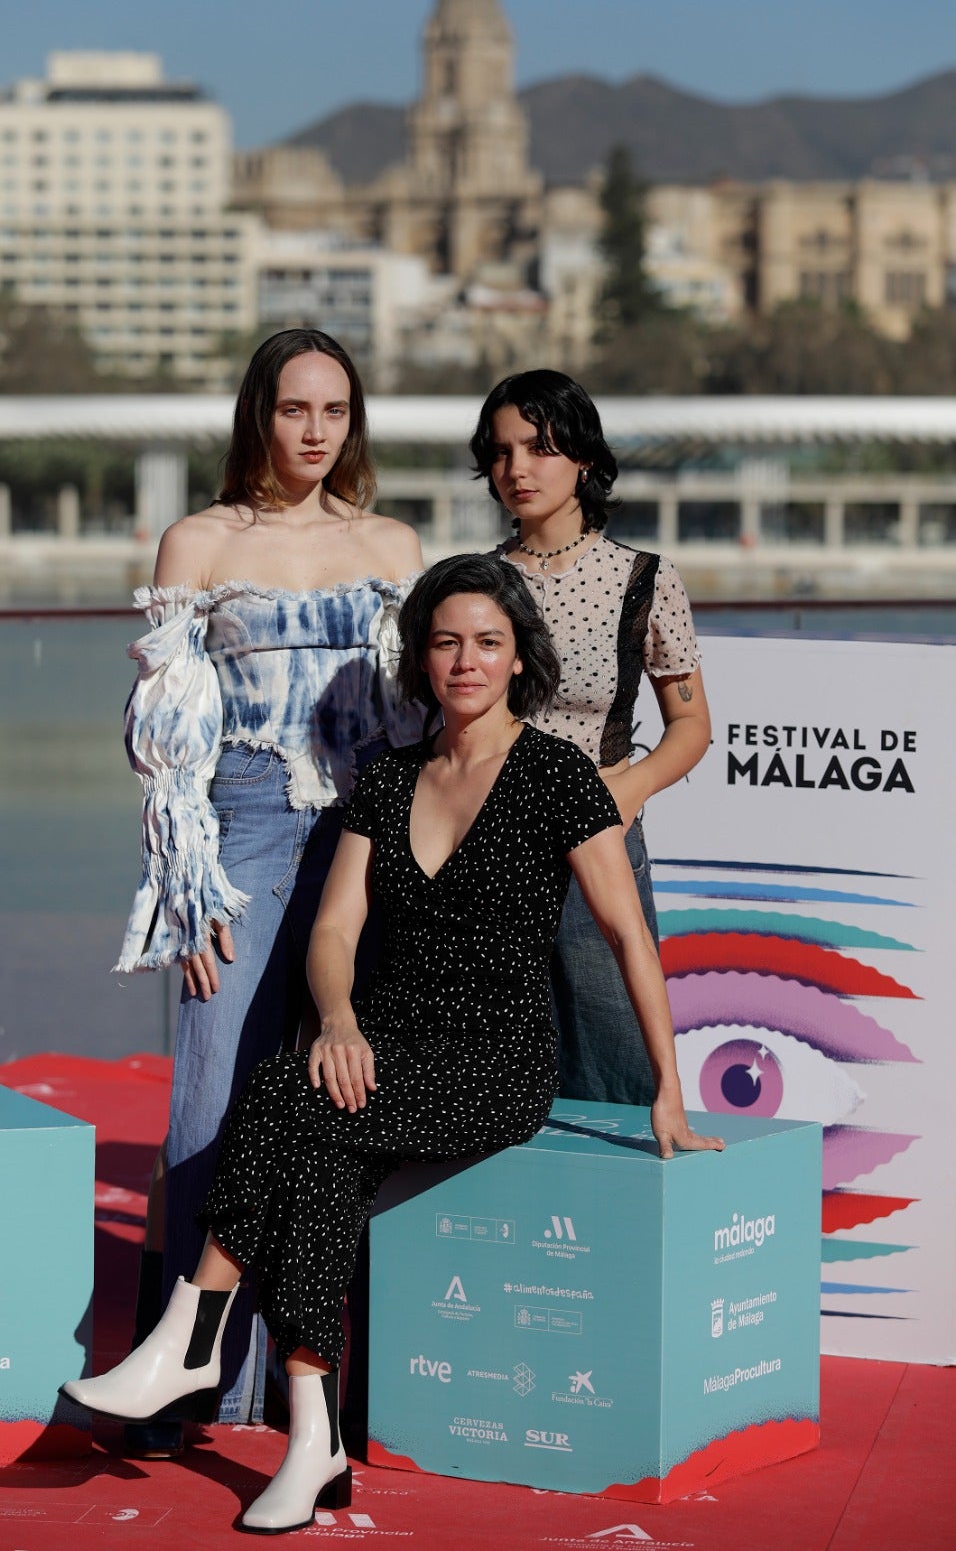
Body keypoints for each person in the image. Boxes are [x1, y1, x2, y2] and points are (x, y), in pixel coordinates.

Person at [63, 554, 724, 1534]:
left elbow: (628, 934)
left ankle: (194, 1330)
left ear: (517, 659)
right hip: (382, 1044)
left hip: (494, 1059)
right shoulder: (392, 780)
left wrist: (668, 1087)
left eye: (487, 642)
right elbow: (333, 932)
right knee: (316, 1135)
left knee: (294, 1098)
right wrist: (336, 1017)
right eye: (447, 640)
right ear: (420, 657)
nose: (466, 660)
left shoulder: (555, 774)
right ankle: (312, 1432)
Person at [114, 329, 423, 1452]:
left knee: (342, 1103)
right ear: (260, 413)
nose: (313, 431)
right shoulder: (199, 539)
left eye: (334, 411)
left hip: (361, 835)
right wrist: (186, 883)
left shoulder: (392, 539)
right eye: (295, 408)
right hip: (239, 824)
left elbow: (412, 722)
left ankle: (322, 1382)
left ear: (354, 422)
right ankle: (196, 1388)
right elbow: (164, 738)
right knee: (208, 1100)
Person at [470, 370, 711, 1107]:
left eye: (539, 448)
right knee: (492, 1062)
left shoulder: (644, 578)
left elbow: (692, 727)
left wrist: (626, 789)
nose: (517, 469)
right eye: (502, 451)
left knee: (617, 1057)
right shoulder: (478, 581)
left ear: (583, 458)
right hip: (489, 848)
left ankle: (629, 1210)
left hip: (597, 847)